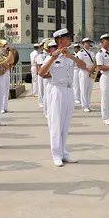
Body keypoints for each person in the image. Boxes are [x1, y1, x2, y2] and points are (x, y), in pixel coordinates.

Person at [39, 28, 90, 166]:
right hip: (57, 91)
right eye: (68, 38)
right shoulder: (52, 56)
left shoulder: (70, 56)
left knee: (65, 124)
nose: (70, 40)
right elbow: (41, 72)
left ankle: (63, 152)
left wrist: (71, 56)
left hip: (68, 91)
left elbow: (84, 65)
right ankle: (56, 154)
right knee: (56, 124)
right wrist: (53, 57)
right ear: (61, 40)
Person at [75, 38, 95, 112]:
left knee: (89, 89)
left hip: (91, 72)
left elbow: (93, 63)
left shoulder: (92, 53)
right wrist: (87, 69)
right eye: (87, 42)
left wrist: (92, 69)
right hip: (84, 72)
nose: (89, 44)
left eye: (89, 42)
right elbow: (78, 64)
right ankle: (84, 106)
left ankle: (89, 105)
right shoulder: (81, 52)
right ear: (83, 44)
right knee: (83, 89)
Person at [29, 42, 45, 109]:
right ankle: (36, 92)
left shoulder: (31, 53)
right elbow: (36, 62)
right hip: (36, 66)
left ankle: (34, 91)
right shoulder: (37, 54)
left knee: (34, 80)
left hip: (33, 66)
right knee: (36, 80)